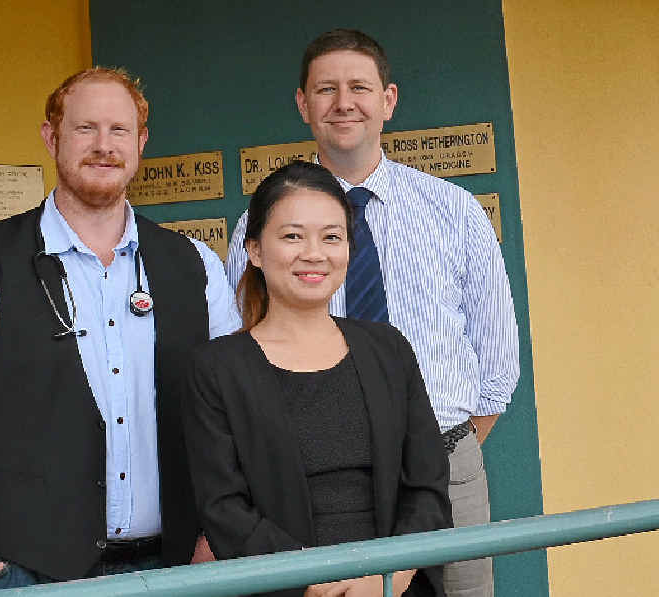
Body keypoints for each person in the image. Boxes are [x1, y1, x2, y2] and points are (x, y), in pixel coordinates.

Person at [0, 67, 241, 595]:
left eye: (119, 131)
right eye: (85, 129)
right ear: (51, 136)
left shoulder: (195, 264)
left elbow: (230, 410)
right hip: (26, 573)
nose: (103, 146)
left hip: (175, 570)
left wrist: (222, 532)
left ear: (141, 142)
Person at [224, 30, 519, 597]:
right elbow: (244, 342)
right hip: (314, 479)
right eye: (326, 89)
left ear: (388, 100)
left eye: (359, 87)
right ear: (302, 105)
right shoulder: (259, 225)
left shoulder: (452, 209)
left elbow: (497, 363)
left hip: (448, 467)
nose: (343, 102)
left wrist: (435, 458)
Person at [185, 161, 451, 597]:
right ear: (254, 250)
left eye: (332, 236)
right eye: (292, 236)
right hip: (288, 590)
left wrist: (390, 576)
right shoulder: (216, 369)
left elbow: (427, 486)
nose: (314, 254)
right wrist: (315, 582)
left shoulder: (388, 349)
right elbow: (224, 509)